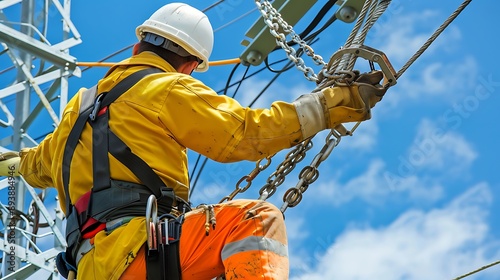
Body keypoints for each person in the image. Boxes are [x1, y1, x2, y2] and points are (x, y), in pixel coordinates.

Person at [0, 2, 387, 280]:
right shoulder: (166, 87)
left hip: (89, 267)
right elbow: (244, 134)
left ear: (138, 48)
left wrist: (4, 162)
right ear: (189, 64)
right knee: (254, 221)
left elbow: (30, 165)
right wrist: (332, 104)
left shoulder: (75, 112)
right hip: (139, 255)